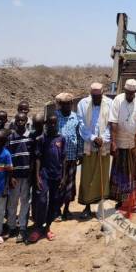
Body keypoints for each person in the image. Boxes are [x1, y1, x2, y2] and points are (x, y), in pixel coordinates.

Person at [108, 78, 136, 215]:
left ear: (135, 92)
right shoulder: (118, 100)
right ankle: (121, 200)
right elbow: (113, 122)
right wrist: (113, 143)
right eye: (127, 93)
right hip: (121, 143)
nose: (129, 96)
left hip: (135, 144)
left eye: (132, 93)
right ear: (124, 90)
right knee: (122, 173)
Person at [76, 83, 113, 219]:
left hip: (104, 144)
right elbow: (81, 124)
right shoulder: (83, 104)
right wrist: (92, 138)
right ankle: (87, 206)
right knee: (87, 176)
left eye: (99, 96)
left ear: (102, 93)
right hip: (89, 144)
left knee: (102, 176)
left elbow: (111, 124)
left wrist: (103, 138)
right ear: (90, 94)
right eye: (94, 96)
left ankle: (101, 207)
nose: (96, 98)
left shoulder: (110, 103)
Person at [29, 114, 65, 243]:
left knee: (54, 201)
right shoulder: (41, 139)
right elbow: (38, 158)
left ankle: (48, 227)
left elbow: (63, 158)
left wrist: (63, 176)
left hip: (57, 175)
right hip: (44, 174)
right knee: (42, 200)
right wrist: (37, 175)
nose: (52, 125)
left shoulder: (61, 138)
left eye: (55, 123)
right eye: (50, 123)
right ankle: (38, 227)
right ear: (46, 124)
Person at [55, 92, 84, 220]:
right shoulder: (55, 117)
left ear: (72, 104)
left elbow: (80, 136)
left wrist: (80, 153)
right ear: (59, 105)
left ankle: (66, 209)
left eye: (68, 104)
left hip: (72, 157)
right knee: (58, 184)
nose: (66, 106)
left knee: (70, 184)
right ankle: (56, 210)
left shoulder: (76, 118)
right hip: (57, 158)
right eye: (63, 104)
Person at [7, 113, 34, 242]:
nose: (20, 122)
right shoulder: (10, 138)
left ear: (26, 121)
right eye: (18, 120)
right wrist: (10, 176)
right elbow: (8, 158)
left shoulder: (31, 137)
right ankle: (12, 226)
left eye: (23, 120)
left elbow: (33, 157)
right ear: (15, 122)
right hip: (15, 176)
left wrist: (31, 174)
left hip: (26, 175)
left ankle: (23, 227)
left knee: (25, 202)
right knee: (12, 202)